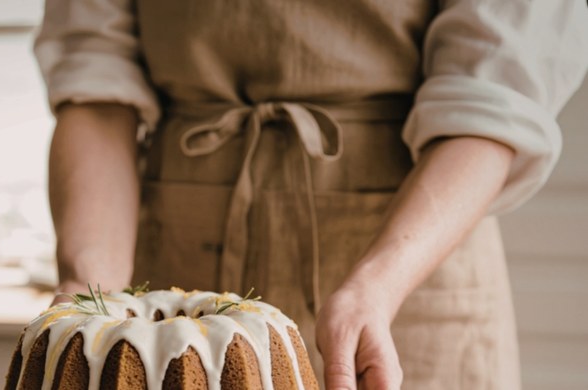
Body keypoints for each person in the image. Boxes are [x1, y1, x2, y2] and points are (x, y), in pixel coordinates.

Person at [35, 1, 588, 388]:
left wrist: (377, 287)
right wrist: (91, 287)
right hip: (177, 265)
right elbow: (97, 84)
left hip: (410, 265)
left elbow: (492, 100)